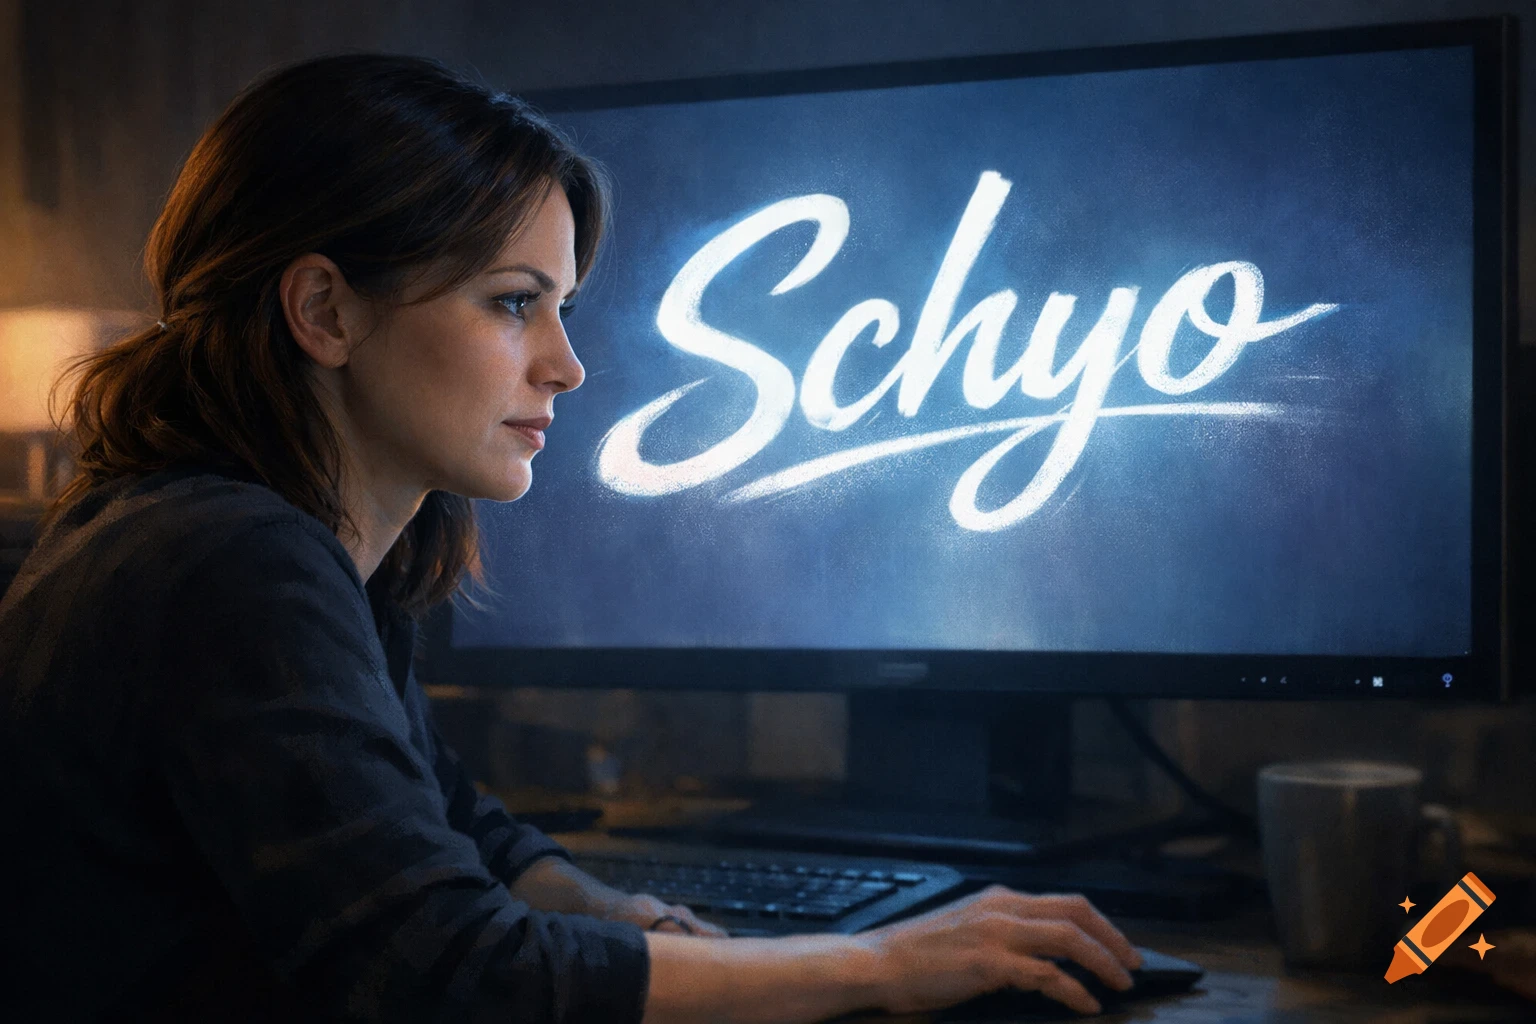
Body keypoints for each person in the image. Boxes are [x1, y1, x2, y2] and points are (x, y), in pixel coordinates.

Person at [0, 53, 1142, 1023]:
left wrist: (606, 910)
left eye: (563, 307)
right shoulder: (230, 562)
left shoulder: (246, 538)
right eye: (511, 302)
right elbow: (445, 967)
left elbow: (443, 823)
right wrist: (879, 965)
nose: (567, 364)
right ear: (325, 311)